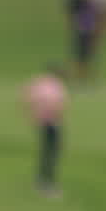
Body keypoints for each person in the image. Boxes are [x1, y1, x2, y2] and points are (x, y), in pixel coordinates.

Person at [25, 64, 68, 197]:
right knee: (52, 153)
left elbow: (27, 99)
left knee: (45, 152)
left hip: (41, 123)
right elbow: (57, 106)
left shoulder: (39, 83)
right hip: (52, 123)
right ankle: (47, 183)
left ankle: (41, 181)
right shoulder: (56, 86)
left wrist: (33, 115)